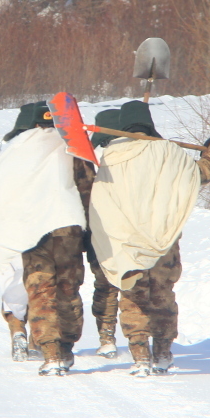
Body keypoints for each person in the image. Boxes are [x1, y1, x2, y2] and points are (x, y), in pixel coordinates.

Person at [88, 100, 210, 376]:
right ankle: (162, 353)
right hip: (163, 240)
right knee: (162, 295)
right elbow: (203, 173)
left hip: (126, 242)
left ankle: (140, 357)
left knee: (133, 297)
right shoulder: (169, 152)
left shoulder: (112, 158)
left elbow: (102, 199)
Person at [0, 101, 93, 376]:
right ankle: (65, 350)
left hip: (28, 234)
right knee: (67, 290)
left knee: (40, 293)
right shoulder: (71, 146)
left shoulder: (13, 153)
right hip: (67, 228)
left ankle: (49, 353)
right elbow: (86, 185)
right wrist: (90, 232)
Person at [85, 109, 121, 359]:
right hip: (127, 230)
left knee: (104, 285)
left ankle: (106, 336)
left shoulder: (86, 156)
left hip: (95, 232)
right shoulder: (131, 154)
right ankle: (138, 337)